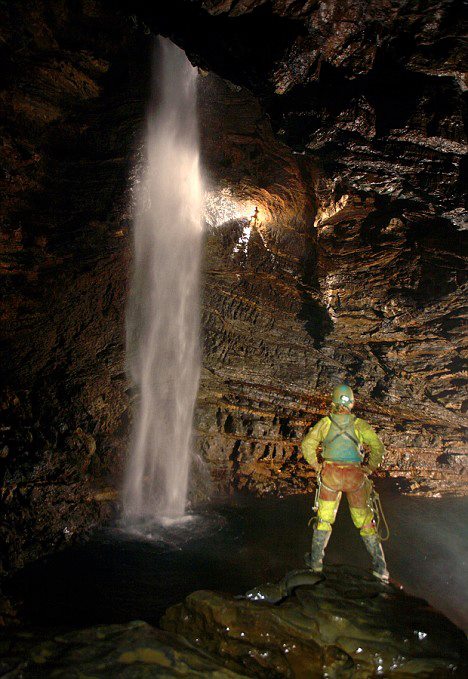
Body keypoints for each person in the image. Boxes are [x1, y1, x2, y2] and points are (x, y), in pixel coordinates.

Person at [301, 384, 389, 580]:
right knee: (365, 521)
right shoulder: (359, 424)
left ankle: (315, 564)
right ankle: (380, 569)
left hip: (330, 474)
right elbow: (378, 446)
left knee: (324, 519)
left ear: (333, 401)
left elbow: (307, 444)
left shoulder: (325, 423)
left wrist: (316, 466)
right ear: (351, 403)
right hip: (354, 477)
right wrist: (369, 468)